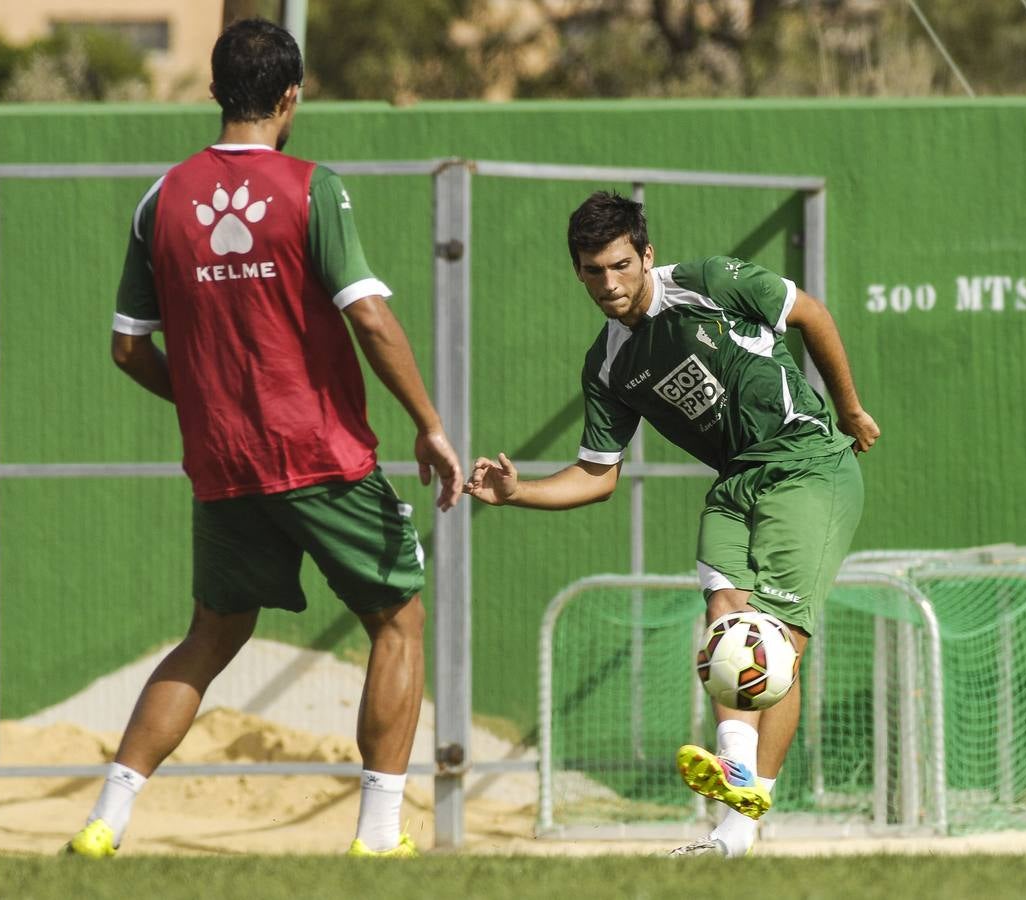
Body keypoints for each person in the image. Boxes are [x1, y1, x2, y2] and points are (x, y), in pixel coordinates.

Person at [63, 18, 461, 860]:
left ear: (212, 92)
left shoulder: (159, 199)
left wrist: (206, 407)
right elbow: (370, 315)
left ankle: (105, 822)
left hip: (223, 466)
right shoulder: (312, 187)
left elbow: (128, 347)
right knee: (397, 621)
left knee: (211, 633)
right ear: (291, 97)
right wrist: (429, 424)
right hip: (320, 456)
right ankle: (378, 837)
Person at [464, 191, 878, 858]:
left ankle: (743, 802)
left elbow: (811, 315)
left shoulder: (710, 283)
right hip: (735, 485)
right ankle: (734, 815)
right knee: (725, 623)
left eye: (621, 265)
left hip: (808, 467)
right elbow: (597, 476)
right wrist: (516, 493)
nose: (609, 283)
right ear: (577, 272)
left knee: (769, 647)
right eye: (593, 271)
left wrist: (851, 410)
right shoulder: (607, 365)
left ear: (646, 254)